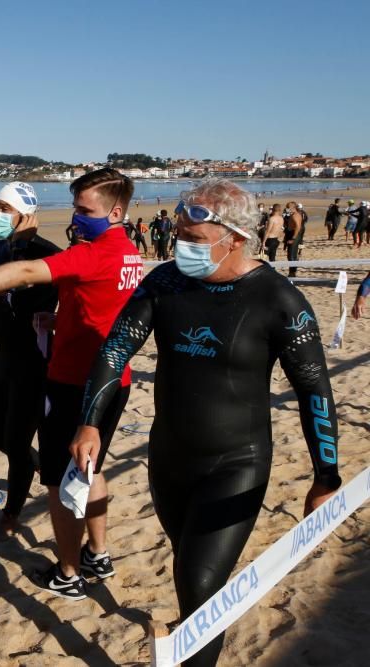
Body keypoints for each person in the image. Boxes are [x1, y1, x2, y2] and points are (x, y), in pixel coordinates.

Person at [71, 180, 341, 666]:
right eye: (179, 236)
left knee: (197, 586)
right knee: (190, 571)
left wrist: (326, 477)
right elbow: (115, 349)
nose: (181, 248)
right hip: (169, 458)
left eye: (194, 240)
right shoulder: (166, 282)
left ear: (235, 238)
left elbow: (315, 392)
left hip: (236, 462)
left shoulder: (280, 301)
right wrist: (89, 423)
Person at [0, 168, 142, 600]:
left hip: (76, 382)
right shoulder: (127, 252)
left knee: (59, 481)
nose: (76, 217)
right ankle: (98, 553)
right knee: (90, 469)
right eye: (75, 207)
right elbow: (107, 309)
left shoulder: (96, 252)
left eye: (84, 209)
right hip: (112, 378)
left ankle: (69, 572)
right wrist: (62, 320)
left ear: (115, 212)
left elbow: (24, 272)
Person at [0, 182, 60, 536]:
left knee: (17, 442)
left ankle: (11, 515)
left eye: (5, 208)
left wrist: (60, 326)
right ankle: (33, 462)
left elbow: (81, 305)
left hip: (33, 363)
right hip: (0, 358)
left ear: (27, 213)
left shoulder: (48, 254)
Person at [283, 201, 302, 276]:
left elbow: (298, 227)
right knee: (292, 255)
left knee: (291, 255)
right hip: (293, 234)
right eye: (287, 207)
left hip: (294, 235)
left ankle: (292, 272)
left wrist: (293, 238)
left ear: (293, 207)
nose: (287, 209)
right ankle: (292, 272)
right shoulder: (294, 214)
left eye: (288, 207)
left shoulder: (295, 215)